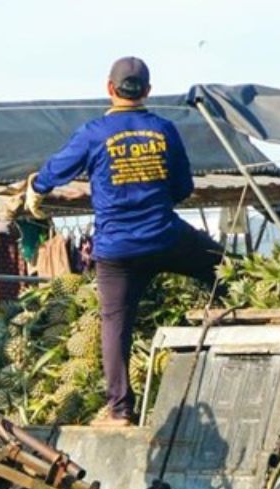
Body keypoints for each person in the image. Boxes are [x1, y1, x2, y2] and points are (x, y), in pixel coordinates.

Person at [26, 56, 225, 427]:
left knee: (115, 325)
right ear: (148, 91)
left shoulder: (93, 133)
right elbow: (183, 188)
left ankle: (119, 411)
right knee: (221, 264)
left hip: (117, 251)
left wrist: (35, 188)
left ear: (109, 88)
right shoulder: (164, 130)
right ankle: (240, 323)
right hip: (166, 237)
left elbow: (53, 172)